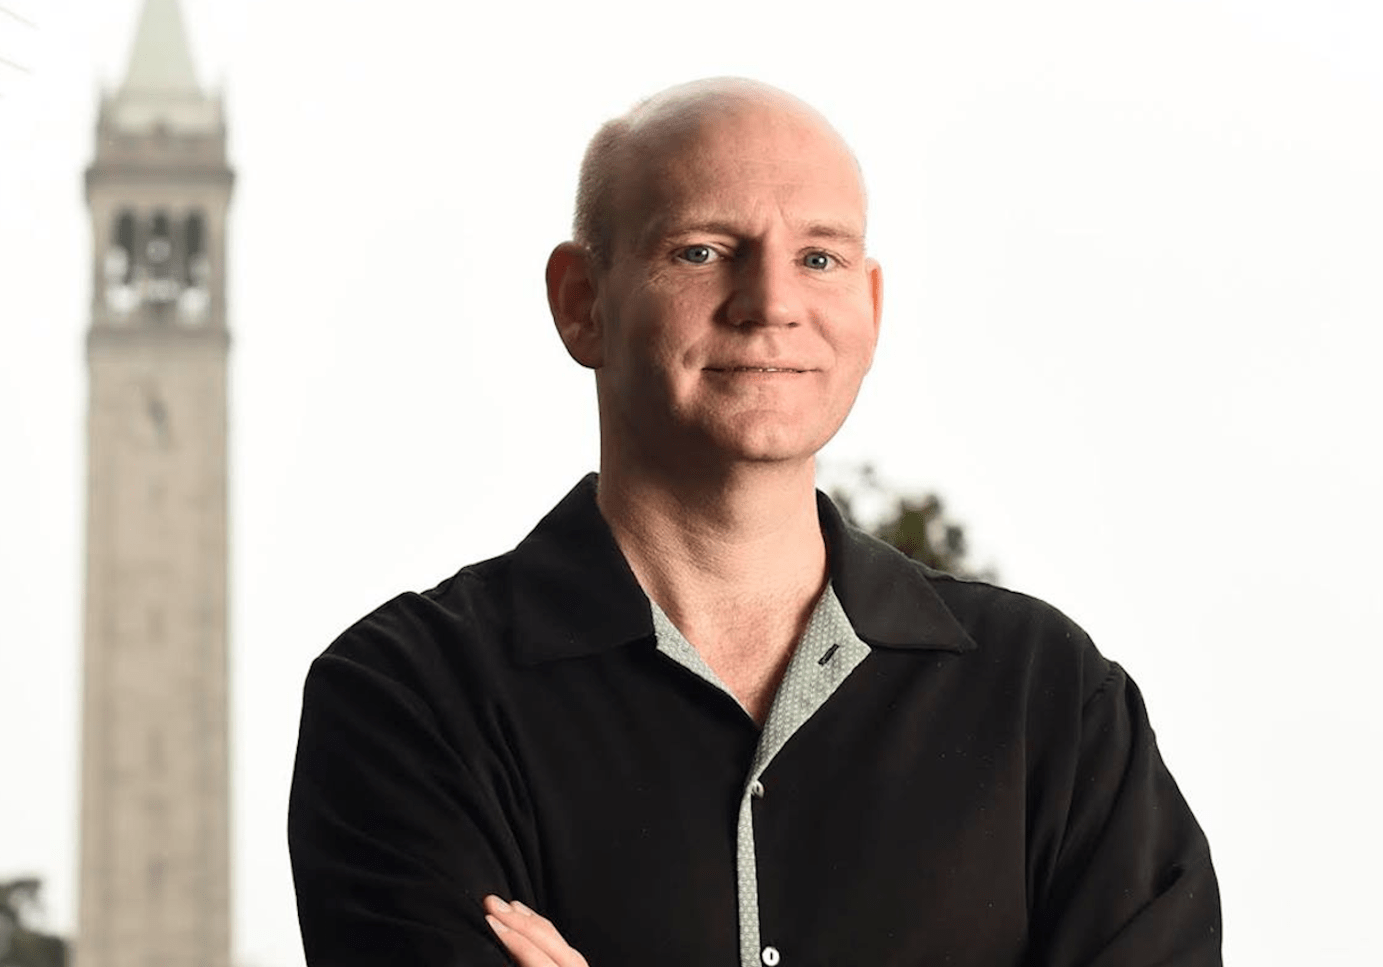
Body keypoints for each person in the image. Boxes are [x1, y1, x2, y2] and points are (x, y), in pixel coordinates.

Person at [288, 78, 1222, 967]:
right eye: (701, 251)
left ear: (870, 306)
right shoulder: (405, 702)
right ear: (581, 303)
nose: (773, 303)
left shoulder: (1054, 702)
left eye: (820, 258)